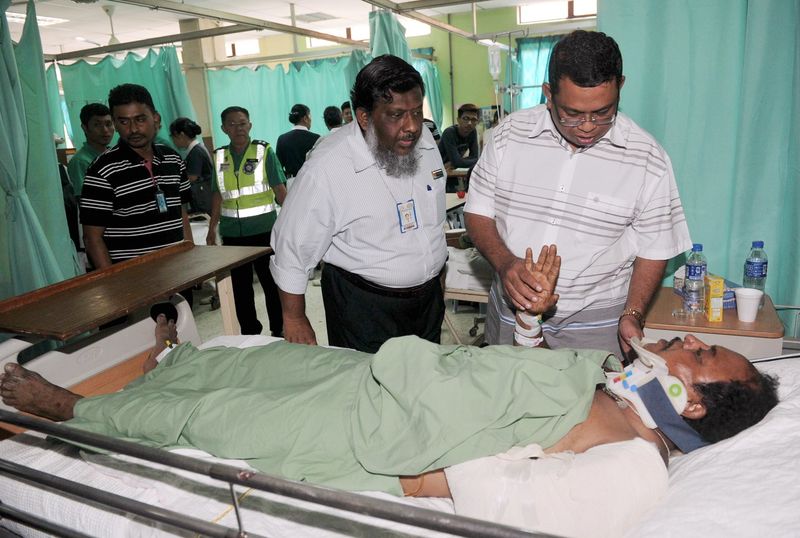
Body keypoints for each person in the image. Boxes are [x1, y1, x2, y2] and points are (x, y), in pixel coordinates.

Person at [0, 296, 779, 537]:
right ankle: (171, 362)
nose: (685, 340)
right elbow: (514, 373)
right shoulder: (614, 387)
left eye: (702, 355)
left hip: (388, 440)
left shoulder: (634, 468)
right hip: (389, 380)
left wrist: (419, 478)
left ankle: (76, 410)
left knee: (222, 417)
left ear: (697, 402)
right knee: (264, 362)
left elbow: (511, 501)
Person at [465, 30, 692, 359]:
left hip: (595, 325)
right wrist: (505, 264)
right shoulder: (508, 136)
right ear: (548, 94)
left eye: (603, 112)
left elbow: (655, 247)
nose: (588, 125)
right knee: (509, 399)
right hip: (512, 312)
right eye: (571, 113)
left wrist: (633, 314)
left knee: (591, 407)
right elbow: (478, 212)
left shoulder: (647, 159)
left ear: (620, 87)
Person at [270, 55, 449, 353]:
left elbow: (430, 223)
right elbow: (292, 249)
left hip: (426, 301)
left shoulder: (426, 142)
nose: (412, 127)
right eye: (396, 115)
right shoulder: (328, 167)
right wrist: (294, 318)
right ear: (364, 117)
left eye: (417, 112)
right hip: (364, 306)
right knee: (369, 391)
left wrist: (433, 274)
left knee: (424, 384)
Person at [79, 84, 192, 270]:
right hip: (134, 279)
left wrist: (190, 259)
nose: (133, 129)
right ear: (115, 123)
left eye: (140, 119)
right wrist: (114, 283)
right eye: (123, 122)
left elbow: (181, 214)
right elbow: (92, 237)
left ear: (155, 118)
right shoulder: (102, 171)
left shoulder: (173, 160)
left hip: (177, 269)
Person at [206, 106, 287, 336]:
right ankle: (250, 331)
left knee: (271, 284)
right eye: (231, 124)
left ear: (249, 125)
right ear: (223, 128)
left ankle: (279, 329)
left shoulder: (264, 151)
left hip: (264, 231)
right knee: (240, 288)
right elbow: (216, 194)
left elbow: (280, 191)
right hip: (232, 235)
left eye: (242, 123)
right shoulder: (219, 156)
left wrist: (291, 224)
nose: (238, 128)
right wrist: (212, 228)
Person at [67, 103, 114, 198]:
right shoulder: (80, 162)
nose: (105, 130)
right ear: (85, 128)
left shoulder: (114, 155)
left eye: (108, 124)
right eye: (97, 125)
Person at [169, 117, 214, 215]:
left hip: (204, 201)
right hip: (205, 198)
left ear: (181, 135)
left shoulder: (196, 152)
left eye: (172, 136)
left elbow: (192, 177)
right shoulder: (197, 149)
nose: (173, 140)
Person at [275, 104, 320, 180]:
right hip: (311, 181)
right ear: (305, 118)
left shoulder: (282, 139)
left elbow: (278, 167)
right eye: (310, 117)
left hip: (291, 183)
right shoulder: (316, 138)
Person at [438, 103, 480, 169]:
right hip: (436, 171)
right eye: (466, 118)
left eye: (474, 120)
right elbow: (457, 162)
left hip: (452, 169)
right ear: (458, 120)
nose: (469, 123)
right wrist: (457, 162)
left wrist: (456, 163)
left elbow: (475, 157)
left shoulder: (472, 132)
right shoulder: (449, 133)